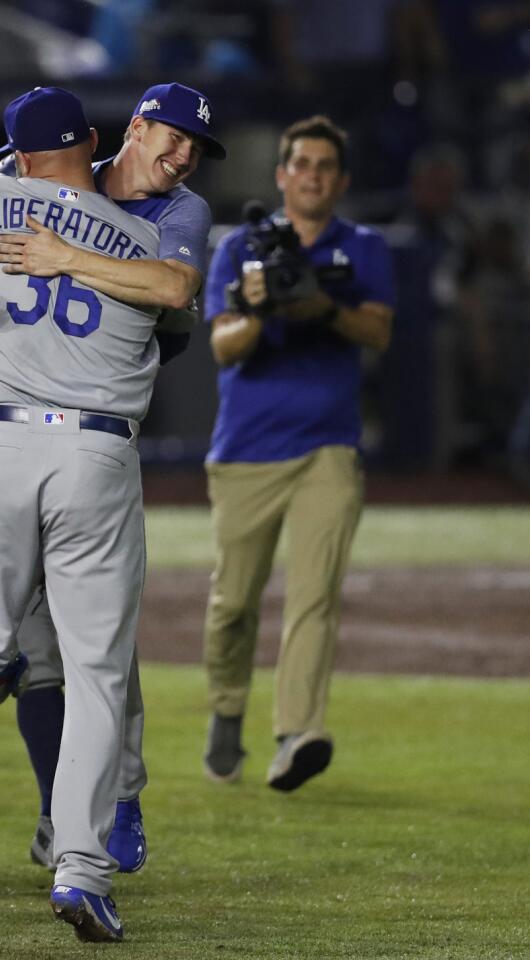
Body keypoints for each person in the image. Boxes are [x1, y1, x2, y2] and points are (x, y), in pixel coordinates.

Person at [0, 82, 220, 880]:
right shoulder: (31, 184)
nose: (184, 154)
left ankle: (112, 794)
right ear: (117, 133)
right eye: (170, 137)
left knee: (79, 649)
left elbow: (173, 288)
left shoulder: (179, 214)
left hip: (65, 400)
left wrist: (63, 256)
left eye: (196, 146)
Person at [201, 115, 393, 792]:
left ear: (339, 181)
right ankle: (227, 710)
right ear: (281, 175)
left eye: (324, 166)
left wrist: (321, 308)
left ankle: (295, 734)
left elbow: (379, 329)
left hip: (328, 450)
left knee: (316, 596)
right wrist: (258, 312)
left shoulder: (363, 247)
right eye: (300, 164)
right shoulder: (239, 248)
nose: (311, 175)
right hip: (246, 449)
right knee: (233, 605)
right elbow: (223, 345)